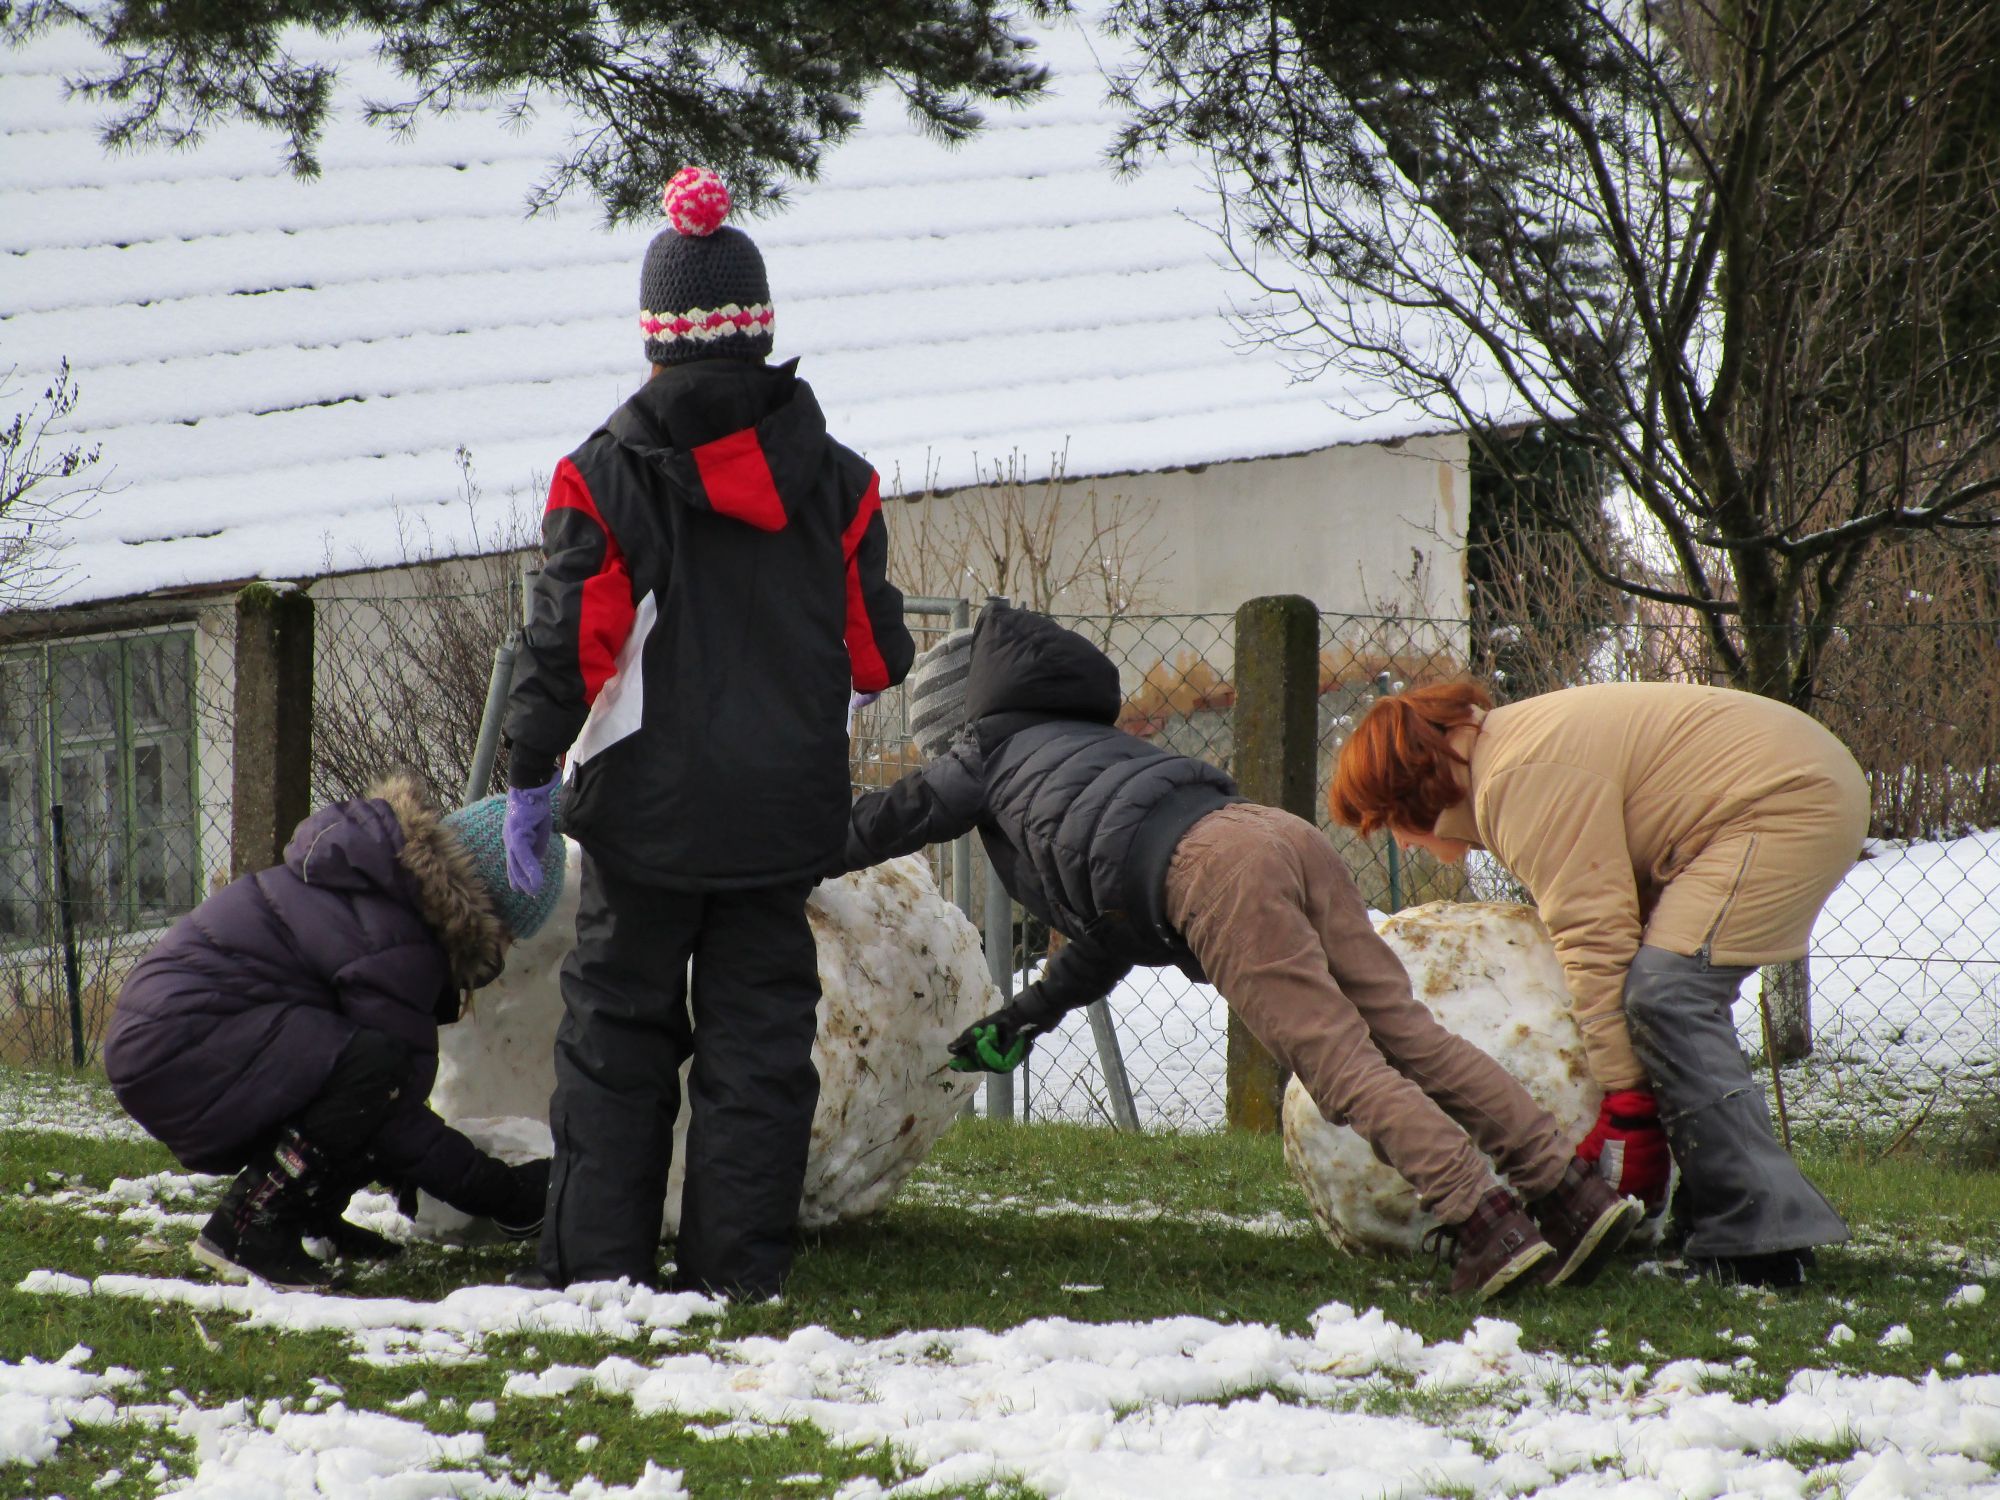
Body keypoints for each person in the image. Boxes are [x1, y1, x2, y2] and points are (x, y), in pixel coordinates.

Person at [835, 602, 1642, 1300]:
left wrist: (788, 852)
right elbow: (1113, 921)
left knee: (1341, 1067)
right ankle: (1568, 1192)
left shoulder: (987, 754)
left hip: (1218, 874)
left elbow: (893, 818)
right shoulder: (1086, 744)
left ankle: (1484, 1222)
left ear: (956, 725)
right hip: (1278, 835)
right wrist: (1027, 1016)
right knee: (1407, 1033)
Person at [501, 166, 915, 1299]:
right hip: (780, 820)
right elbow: (875, 656)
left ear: (656, 338)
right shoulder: (841, 482)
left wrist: (529, 778)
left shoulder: (601, 477)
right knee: (759, 1046)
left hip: (642, 817)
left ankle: (596, 1265)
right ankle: (736, 1271)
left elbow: (567, 646)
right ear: (758, 329)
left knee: (616, 1037)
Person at [1329, 679, 1867, 1288]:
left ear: (1412, 790)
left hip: (1786, 800)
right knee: (1671, 992)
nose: (1401, 843)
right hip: (1782, 786)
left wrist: (1628, 1109)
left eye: (1388, 822)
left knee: (1669, 993)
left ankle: (1761, 1239)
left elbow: (1595, 935)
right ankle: (1717, 1216)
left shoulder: (1514, 780)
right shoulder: (1503, 760)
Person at [103, 775, 562, 1292]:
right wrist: (504, 1193)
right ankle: (248, 1227)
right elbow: (388, 1104)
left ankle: (308, 1213)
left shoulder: (378, 889)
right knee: (371, 1071)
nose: (503, 955)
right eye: (510, 935)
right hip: (179, 1045)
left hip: (172, 1039)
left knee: (360, 1076)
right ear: (490, 911)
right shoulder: (396, 935)